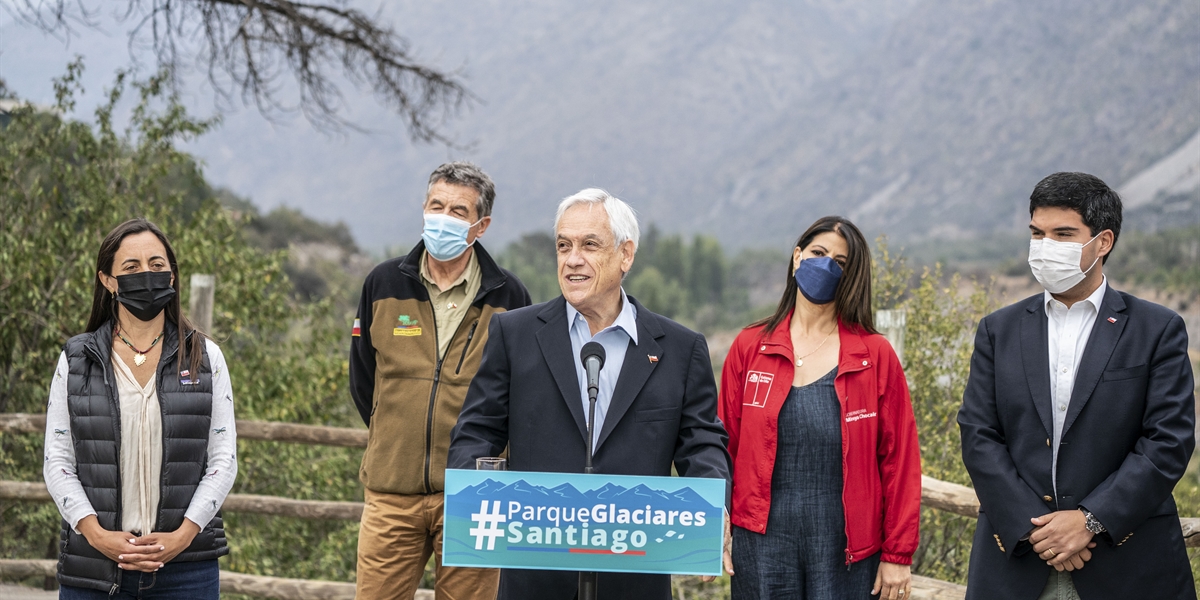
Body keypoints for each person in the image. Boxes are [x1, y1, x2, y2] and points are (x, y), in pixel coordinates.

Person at [447, 188, 732, 600]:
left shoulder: (680, 349)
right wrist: (477, 498)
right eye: (563, 246)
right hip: (535, 577)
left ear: (626, 255)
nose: (572, 259)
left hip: (634, 577)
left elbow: (702, 443)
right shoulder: (515, 334)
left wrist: (712, 503)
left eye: (589, 245)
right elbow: (476, 431)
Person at [958, 172, 1196, 599]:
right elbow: (979, 436)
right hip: (1017, 563)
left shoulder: (1156, 329)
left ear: (1102, 242)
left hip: (1128, 566)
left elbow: (1168, 441)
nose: (1045, 247)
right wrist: (1038, 530)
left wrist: (1089, 520)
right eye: (1037, 233)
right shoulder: (999, 330)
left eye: (1063, 234)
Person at [349, 161, 531, 599]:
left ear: (480, 225)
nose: (443, 218)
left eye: (458, 211)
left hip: (477, 496)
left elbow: (521, 397)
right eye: (437, 206)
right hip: (392, 492)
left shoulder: (510, 297)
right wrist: (396, 434)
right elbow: (363, 380)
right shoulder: (384, 283)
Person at [718, 216, 921, 600]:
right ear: (797, 257)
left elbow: (899, 461)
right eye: (818, 253)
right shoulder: (750, 347)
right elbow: (721, 447)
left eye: (841, 262)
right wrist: (716, 527)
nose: (826, 265)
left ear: (851, 276)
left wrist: (898, 554)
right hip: (761, 542)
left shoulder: (874, 355)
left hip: (846, 546)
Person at [43, 218, 237, 599]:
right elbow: (58, 459)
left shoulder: (204, 357)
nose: (146, 275)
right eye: (131, 268)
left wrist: (182, 536)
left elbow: (223, 459)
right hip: (94, 570)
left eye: (157, 265)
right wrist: (98, 536)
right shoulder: (77, 359)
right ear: (108, 280)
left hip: (186, 570)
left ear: (172, 276)